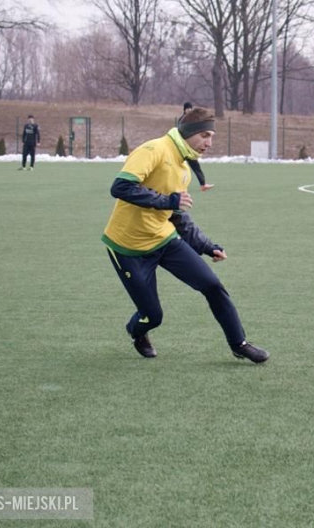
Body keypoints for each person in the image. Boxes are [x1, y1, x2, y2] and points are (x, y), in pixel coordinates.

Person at [102, 106, 269, 363]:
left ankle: (240, 344)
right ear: (189, 132)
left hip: (165, 239)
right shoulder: (153, 150)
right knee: (152, 316)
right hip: (127, 247)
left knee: (213, 286)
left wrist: (206, 246)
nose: (209, 143)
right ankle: (137, 332)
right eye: (205, 135)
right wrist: (168, 200)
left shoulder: (183, 166)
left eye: (211, 136)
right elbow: (121, 187)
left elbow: (177, 216)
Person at [179, 102, 214, 192]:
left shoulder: (194, 120)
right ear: (184, 109)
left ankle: (203, 184)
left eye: (190, 108)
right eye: (187, 108)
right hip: (182, 148)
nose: (189, 110)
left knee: (196, 166)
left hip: (190, 150)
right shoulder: (182, 120)